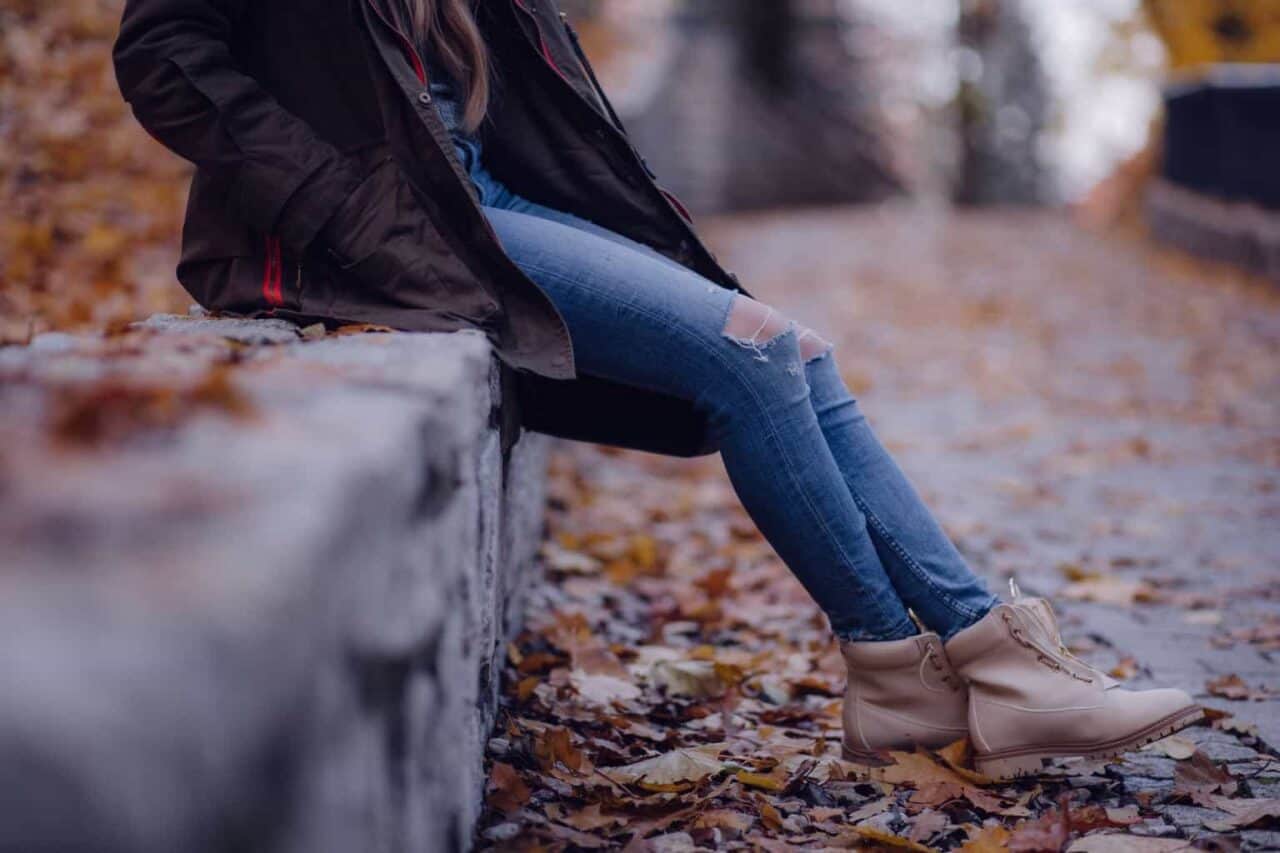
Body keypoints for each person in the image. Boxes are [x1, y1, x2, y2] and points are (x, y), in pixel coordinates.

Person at [114, 0, 1201, 780]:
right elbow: (162, 53)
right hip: (371, 227)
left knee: (795, 350)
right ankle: (923, 669)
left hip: (477, 195)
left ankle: (955, 673)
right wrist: (329, 203)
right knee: (754, 355)